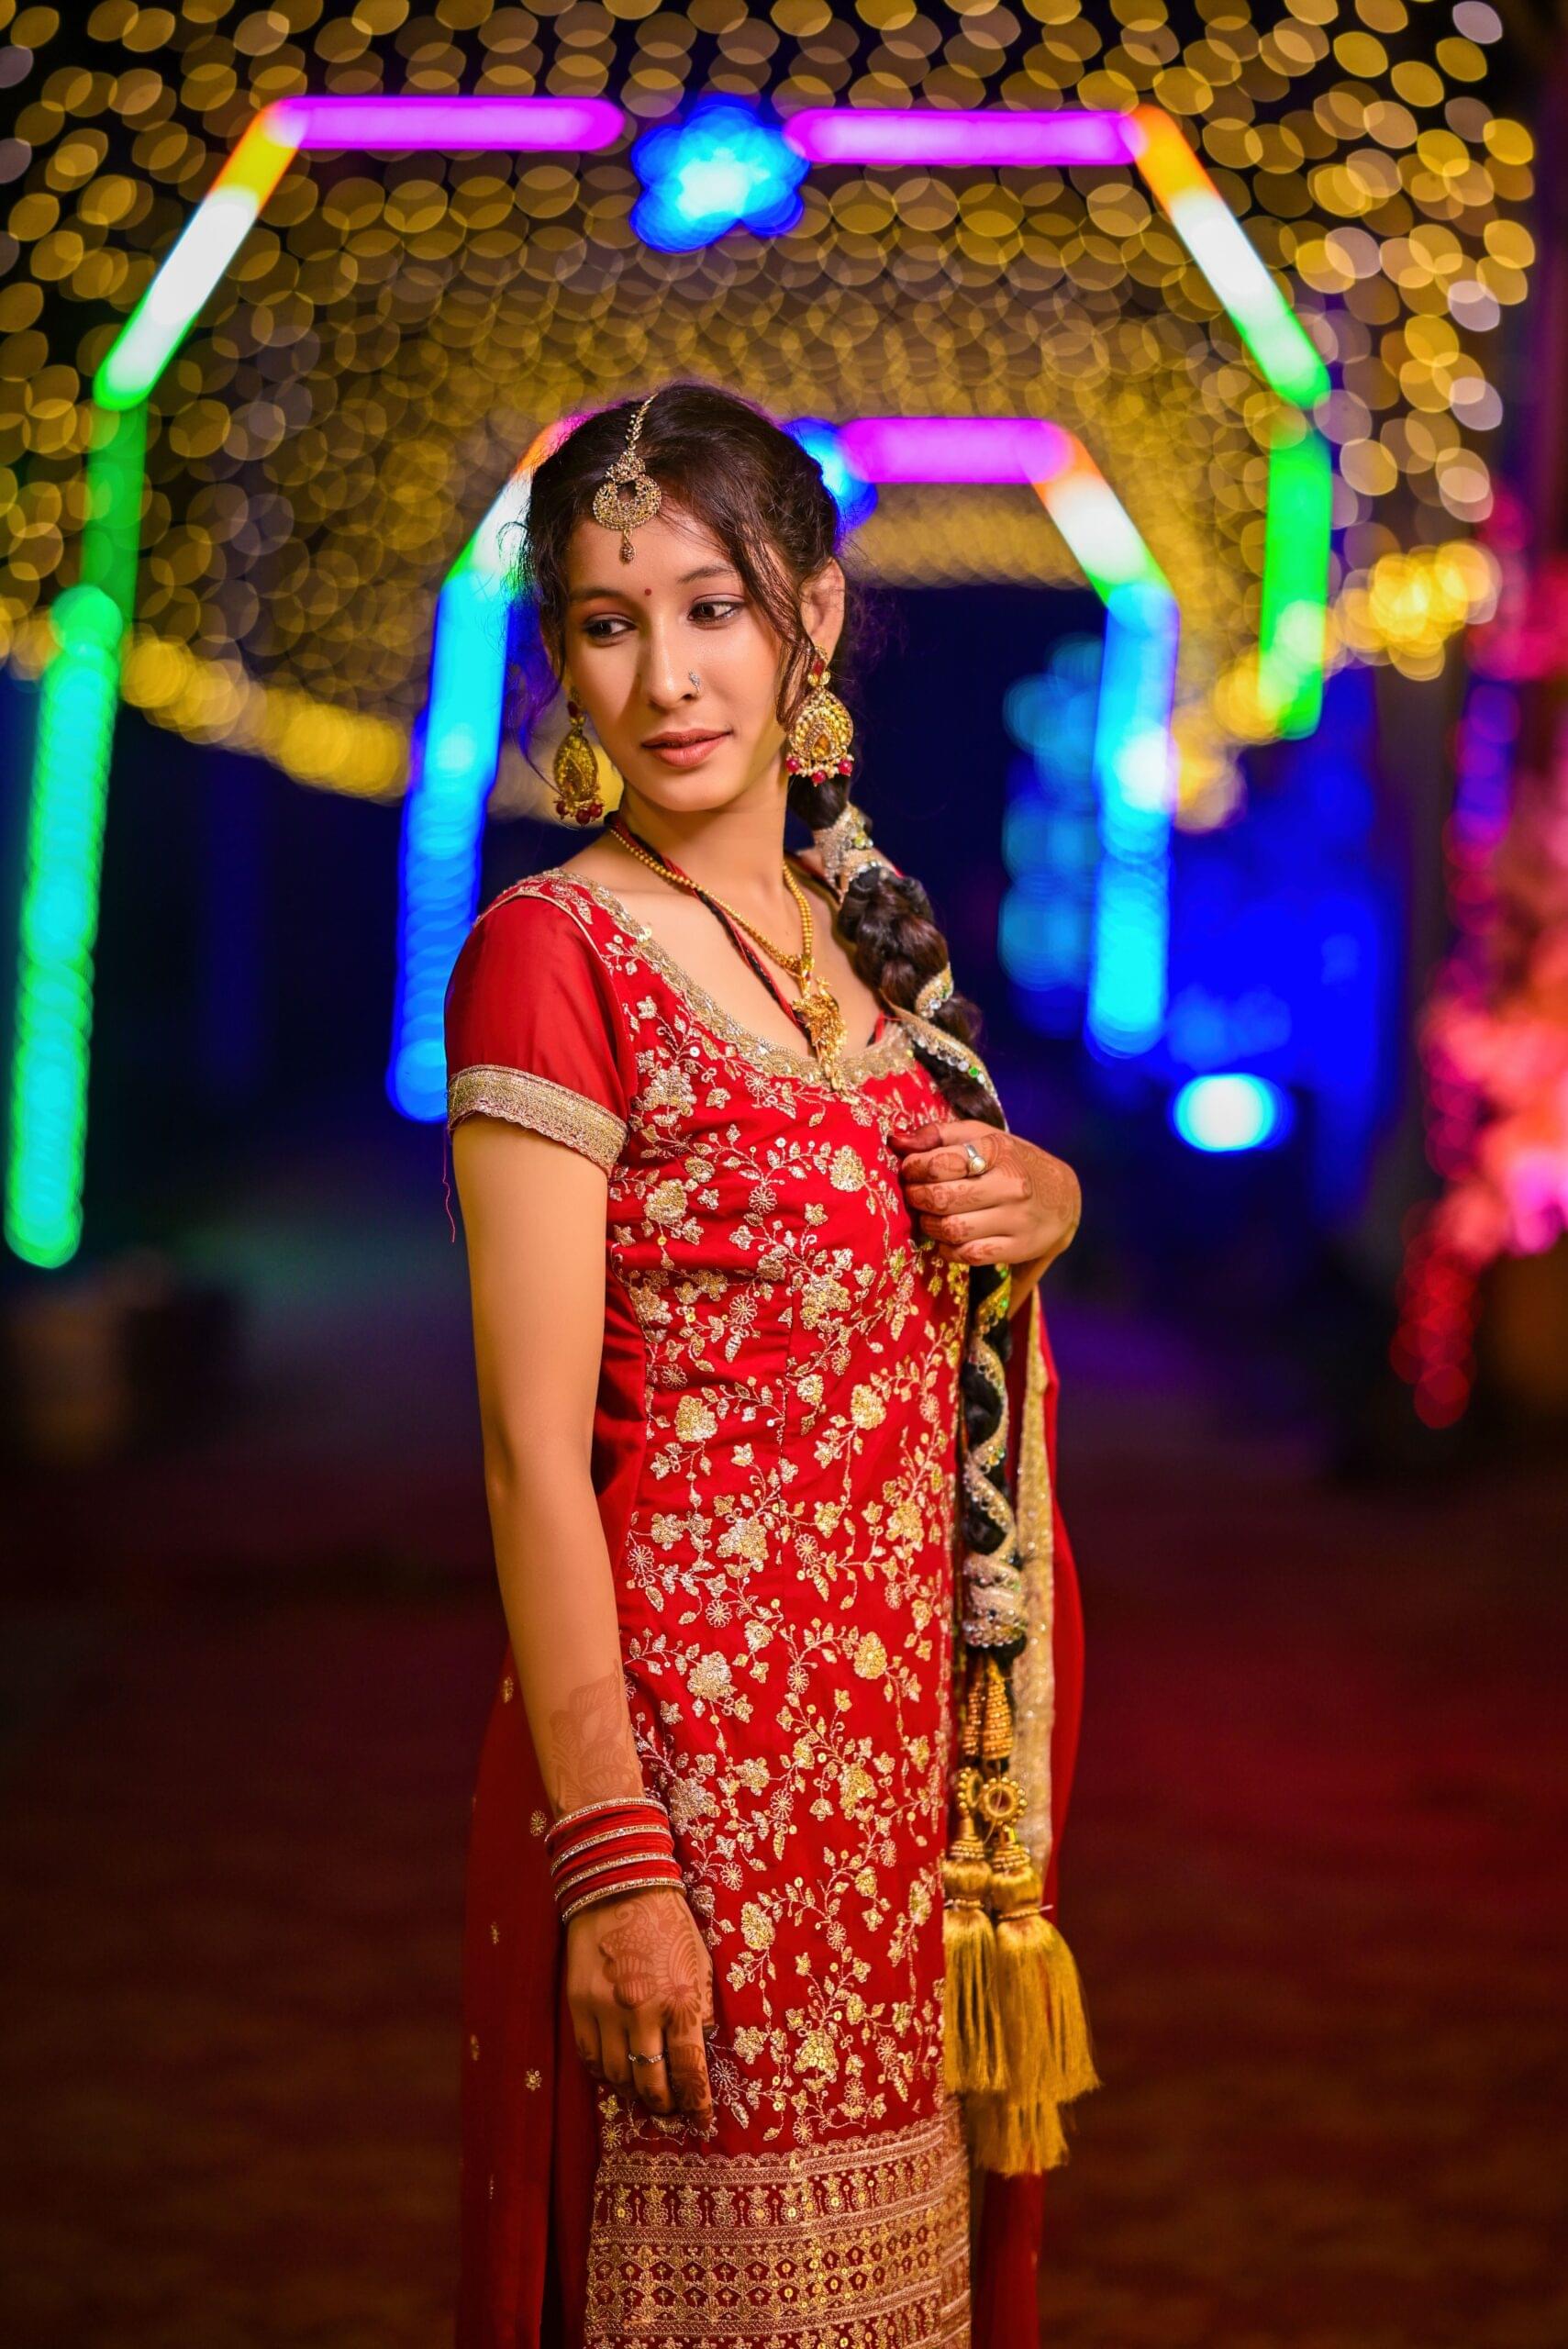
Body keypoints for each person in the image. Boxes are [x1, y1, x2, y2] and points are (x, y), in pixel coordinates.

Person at [443, 380, 1097, 2349]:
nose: (663, 676)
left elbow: (926, 1251)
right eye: (607, 618)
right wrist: (616, 1854)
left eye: (712, 606)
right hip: (695, 1789)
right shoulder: (555, 952)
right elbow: (527, 1457)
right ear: (560, 651)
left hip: (903, 1785)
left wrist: (1043, 1193)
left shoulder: (865, 935)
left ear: (811, 612)